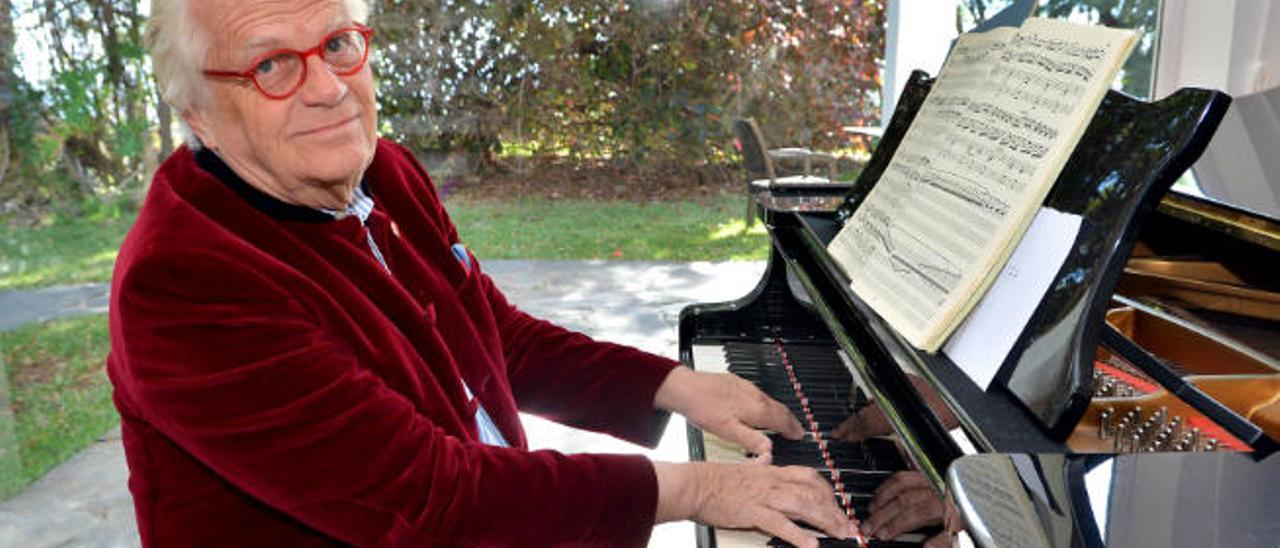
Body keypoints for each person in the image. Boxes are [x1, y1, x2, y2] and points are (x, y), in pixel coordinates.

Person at [107, 0, 859, 546]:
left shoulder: (383, 170)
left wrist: (672, 385)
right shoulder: (183, 285)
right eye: (271, 64)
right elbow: (432, 500)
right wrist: (699, 489)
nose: (330, 88)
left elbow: (493, 336)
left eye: (339, 43)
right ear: (197, 112)